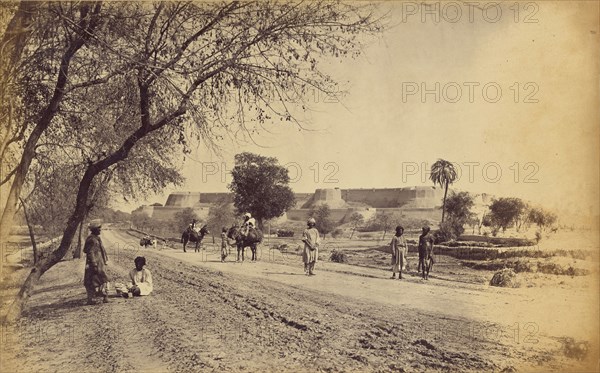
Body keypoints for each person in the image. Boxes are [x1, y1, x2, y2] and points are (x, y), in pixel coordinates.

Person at [83, 219, 109, 305]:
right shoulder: (91, 239)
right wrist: (94, 264)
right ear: (94, 230)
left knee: (101, 278)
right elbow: (90, 252)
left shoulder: (96, 238)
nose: (100, 230)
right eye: (99, 228)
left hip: (99, 262)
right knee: (92, 280)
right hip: (94, 263)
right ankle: (92, 299)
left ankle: (103, 296)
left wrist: (104, 260)